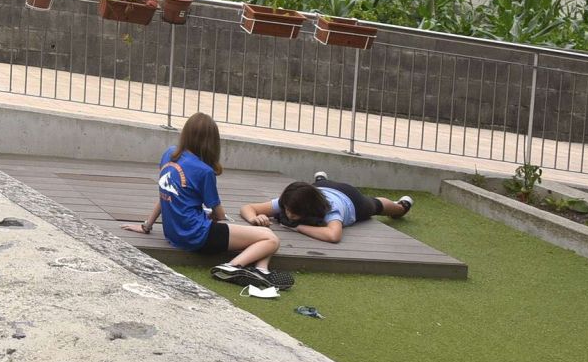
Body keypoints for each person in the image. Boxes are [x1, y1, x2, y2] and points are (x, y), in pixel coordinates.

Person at [121, 113, 282, 289]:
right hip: (198, 235)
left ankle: (261, 270)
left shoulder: (169, 154)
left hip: (174, 234)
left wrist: (146, 226)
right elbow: (219, 214)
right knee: (270, 238)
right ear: (212, 142)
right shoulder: (204, 171)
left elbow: (166, 194)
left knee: (258, 239)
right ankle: (231, 267)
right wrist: (211, 215)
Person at [241, 172, 414, 244]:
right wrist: (254, 218)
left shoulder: (331, 209)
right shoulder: (290, 200)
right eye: (286, 209)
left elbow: (333, 235)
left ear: (308, 209)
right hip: (321, 189)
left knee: (375, 205)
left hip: (350, 198)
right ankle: (321, 180)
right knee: (317, 186)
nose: (288, 214)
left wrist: (298, 227)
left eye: (294, 212)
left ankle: (400, 207)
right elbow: (248, 207)